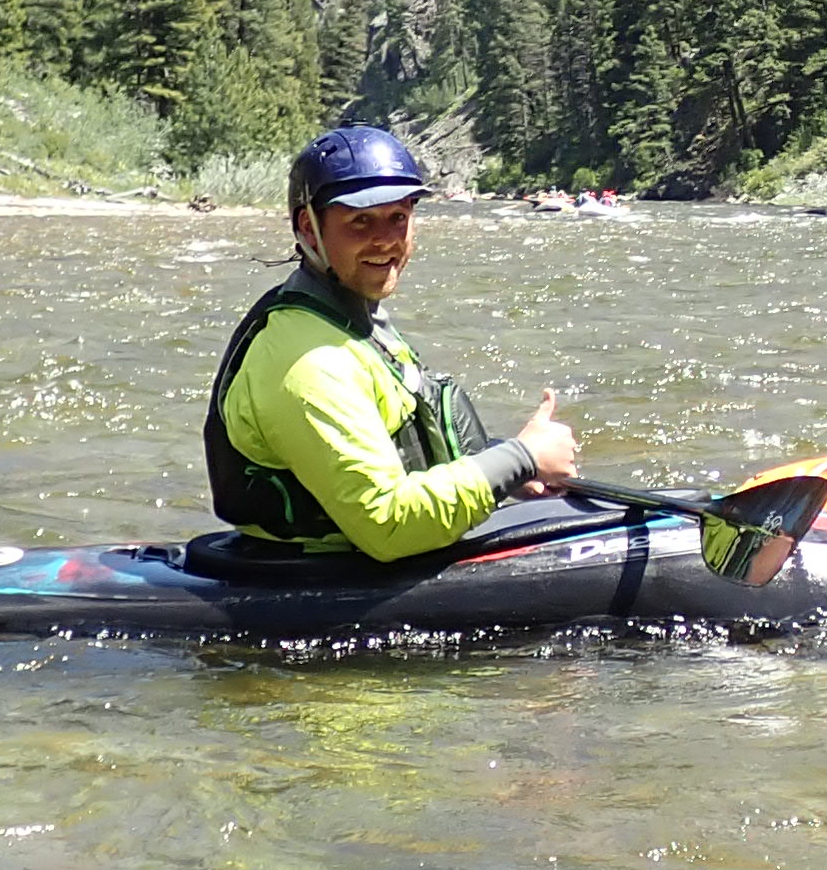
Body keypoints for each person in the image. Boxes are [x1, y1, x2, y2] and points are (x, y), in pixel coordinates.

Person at [199, 125, 584, 563]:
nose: (385, 239)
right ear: (309, 228)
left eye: (398, 217)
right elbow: (391, 525)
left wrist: (502, 472)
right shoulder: (307, 363)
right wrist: (522, 457)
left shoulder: (349, 317)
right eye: (360, 221)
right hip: (325, 574)